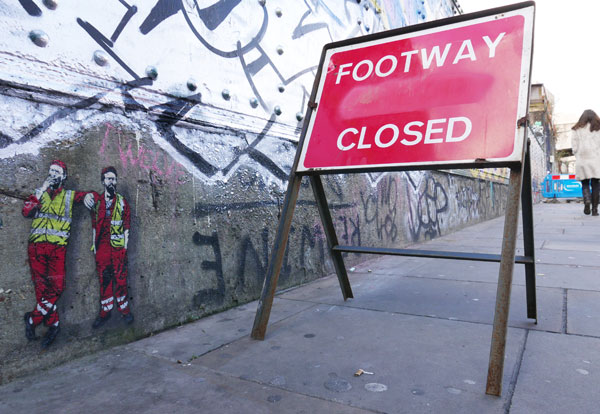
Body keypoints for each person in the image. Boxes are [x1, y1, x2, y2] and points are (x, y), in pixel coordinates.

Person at [22, 160, 94, 348]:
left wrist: (90, 196)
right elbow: (26, 211)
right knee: (42, 290)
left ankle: (33, 319)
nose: (53, 174)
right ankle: (53, 325)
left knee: (57, 286)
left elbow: (89, 195)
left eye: (57, 172)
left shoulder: (69, 196)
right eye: (50, 171)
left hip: (57, 249)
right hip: (36, 247)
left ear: (63, 176)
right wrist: (41, 189)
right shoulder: (40, 194)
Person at [87, 166, 134, 328]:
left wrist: (125, 246)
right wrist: (94, 247)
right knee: (104, 281)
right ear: (103, 181)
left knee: (120, 280)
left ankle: (124, 310)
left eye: (113, 178)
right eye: (108, 178)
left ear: (116, 181)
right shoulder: (97, 203)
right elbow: (94, 225)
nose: (111, 181)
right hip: (102, 249)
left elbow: (127, 226)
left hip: (118, 249)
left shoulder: (122, 202)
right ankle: (105, 312)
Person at [571, 109, 600, 216]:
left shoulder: (576, 129)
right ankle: (595, 210)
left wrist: (577, 154)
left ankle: (587, 200)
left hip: (582, 159)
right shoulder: (598, 128)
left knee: (585, 183)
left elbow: (574, 147)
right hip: (596, 160)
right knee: (596, 184)